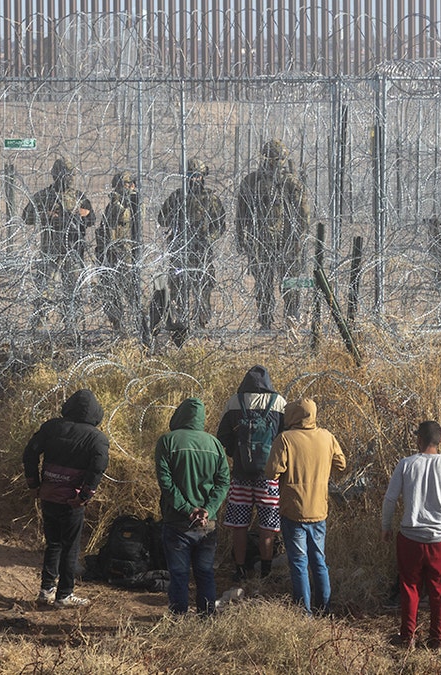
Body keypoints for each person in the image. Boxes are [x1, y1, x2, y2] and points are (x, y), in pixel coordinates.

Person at [381, 420, 441, 653]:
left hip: (410, 537)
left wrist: (386, 526)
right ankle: (438, 639)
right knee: (439, 592)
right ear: (439, 441)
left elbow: (390, 499)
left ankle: (407, 637)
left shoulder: (406, 464)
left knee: (409, 587)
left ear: (418, 440)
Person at [21, 389, 110, 608]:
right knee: (70, 546)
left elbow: (29, 453)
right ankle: (65, 594)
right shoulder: (97, 438)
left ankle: (47, 589)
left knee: (53, 543)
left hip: (49, 494)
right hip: (72, 499)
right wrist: (85, 495)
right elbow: (98, 468)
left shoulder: (51, 427)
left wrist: (33, 484)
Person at [264, 398, 347, 615]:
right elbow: (341, 464)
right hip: (319, 509)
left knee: (299, 563)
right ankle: (325, 608)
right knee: (319, 561)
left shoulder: (285, 439)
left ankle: (305, 613)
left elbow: (271, 472)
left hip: (293, 510)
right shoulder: (327, 437)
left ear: (293, 415)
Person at [154, 397, 230, 616]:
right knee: (205, 572)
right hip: (208, 522)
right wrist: (209, 509)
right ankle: (207, 615)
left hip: (177, 521)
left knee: (178, 573)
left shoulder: (167, 441)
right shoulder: (214, 444)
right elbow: (223, 481)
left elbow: (166, 482)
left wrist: (188, 509)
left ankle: (178, 616)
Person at [216, 365, 287, 581]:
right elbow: (286, 439)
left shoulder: (234, 401)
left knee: (239, 524)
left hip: (240, 476)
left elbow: (223, 437)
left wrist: (237, 455)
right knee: (268, 524)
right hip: (269, 477)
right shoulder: (279, 403)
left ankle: (239, 568)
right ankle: (265, 569)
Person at [235, 139, 310, 330]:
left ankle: (291, 320)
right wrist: (241, 238)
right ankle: (266, 321)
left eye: (278, 159)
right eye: (271, 159)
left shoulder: (291, 183)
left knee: (291, 283)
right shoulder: (251, 182)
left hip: (287, 242)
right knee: (263, 284)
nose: (274, 164)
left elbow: (304, 215)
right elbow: (241, 213)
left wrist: (296, 238)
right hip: (261, 242)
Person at [157, 158, 226, 343]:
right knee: (178, 290)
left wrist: (207, 238)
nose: (194, 180)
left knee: (202, 290)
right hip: (180, 252)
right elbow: (162, 219)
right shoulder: (177, 197)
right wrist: (175, 222)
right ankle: (180, 327)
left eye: (197, 176)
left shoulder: (211, 199)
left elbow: (221, 225)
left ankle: (201, 326)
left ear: (203, 177)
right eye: (190, 176)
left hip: (202, 252)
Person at [23, 156, 94, 329]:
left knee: (73, 293)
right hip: (51, 251)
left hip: (73, 252)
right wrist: (44, 215)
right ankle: (39, 328)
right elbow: (26, 217)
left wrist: (83, 214)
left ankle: (72, 329)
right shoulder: (43, 196)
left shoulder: (79, 197)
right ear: (56, 175)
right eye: (66, 174)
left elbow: (92, 218)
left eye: (72, 174)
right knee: (45, 292)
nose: (70, 178)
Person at [95, 170, 141, 335]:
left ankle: (140, 323)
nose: (123, 188)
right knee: (110, 291)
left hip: (125, 255)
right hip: (109, 254)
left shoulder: (133, 202)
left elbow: (125, 216)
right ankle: (118, 326)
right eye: (122, 185)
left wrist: (120, 201)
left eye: (127, 184)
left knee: (130, 290)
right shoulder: (113, 204)